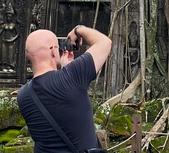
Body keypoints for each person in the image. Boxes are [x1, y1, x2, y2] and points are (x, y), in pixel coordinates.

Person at [18, 25, 112, 153]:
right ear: (53, 51)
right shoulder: (72, 76)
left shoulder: (23, 95)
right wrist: (78, 30)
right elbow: (104, 42)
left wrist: (65, 69)